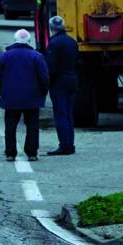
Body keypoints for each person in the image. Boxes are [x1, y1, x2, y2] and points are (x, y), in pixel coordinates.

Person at [0, 29, 49, 162]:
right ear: (29, 41)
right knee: (32, 126)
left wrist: (2, 91)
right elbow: (44, 78)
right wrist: (43, 92)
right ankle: (32, 153)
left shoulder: (4, 56)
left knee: (10, 126)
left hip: (11, 98)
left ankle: (10, 153)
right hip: (32, 97)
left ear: (14, 40)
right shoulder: (36, 56)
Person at [44, 16, 79, 156]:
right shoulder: (72, 41)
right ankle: (70, 144)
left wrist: (45, 82)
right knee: (69, 113)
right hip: (72, 78)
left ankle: (64, 145)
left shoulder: (54, 43)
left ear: (51, 28)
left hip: (60, 81)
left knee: (61, 113)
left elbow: (50, 67)